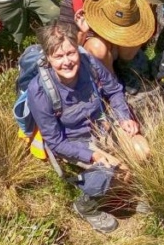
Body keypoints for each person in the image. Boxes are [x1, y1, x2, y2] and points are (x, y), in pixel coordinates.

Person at [26, 22, 150, 233]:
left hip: (104, 125)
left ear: (77, 48)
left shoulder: (89, 62)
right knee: (118, 171)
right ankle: (86, 206)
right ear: (48, 58)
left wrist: (123, 118)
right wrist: (92, 156)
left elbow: (114, 90)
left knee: (143, 151)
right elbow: (55, 141)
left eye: (70, 53)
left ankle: (120, 190)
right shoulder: (39, 91)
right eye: (58, 56)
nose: (67, 62)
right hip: (76, 140)